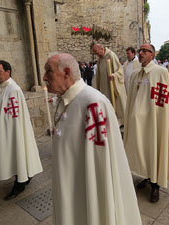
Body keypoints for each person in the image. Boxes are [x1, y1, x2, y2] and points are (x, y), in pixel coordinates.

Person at [43, 53, 142, 225]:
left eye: (48, 71)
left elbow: (101, 164)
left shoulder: (93, 103)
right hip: (69, 180)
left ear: (66, 73)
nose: (44, 77)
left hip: (86, 186)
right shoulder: (63, 99)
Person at [124, 44, 169, 203]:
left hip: (154, 121)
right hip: (138, 122)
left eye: (145, 51)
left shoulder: (160, 72)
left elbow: (164, 101)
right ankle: (148, 176)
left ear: (153, 55)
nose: (141, 53)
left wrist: (159, 119)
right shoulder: (135, 74)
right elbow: (132, 100)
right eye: (140, 50)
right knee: (143, 150)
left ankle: (156, 186)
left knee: (154, 149)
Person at [0, 60, 43, 200]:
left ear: (8, 72)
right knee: (14, 155)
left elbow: (15, 115)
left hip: (12, 131)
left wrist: (11, 133)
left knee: (17, 153)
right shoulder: (2, 87)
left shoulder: (13, 89)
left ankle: (19, 184)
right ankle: (24, 176)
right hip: (6, 130)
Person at [93, 44, 127, 126]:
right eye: (96, 54)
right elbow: (98, 74)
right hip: (104, 86)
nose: (97, 55)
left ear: (102, 49)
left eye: (98, 53)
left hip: (112, 86)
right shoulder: (100, 59)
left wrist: (114, 75)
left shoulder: (111, 56)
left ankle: (119, 121)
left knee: (116, 104)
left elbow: (120, 70)